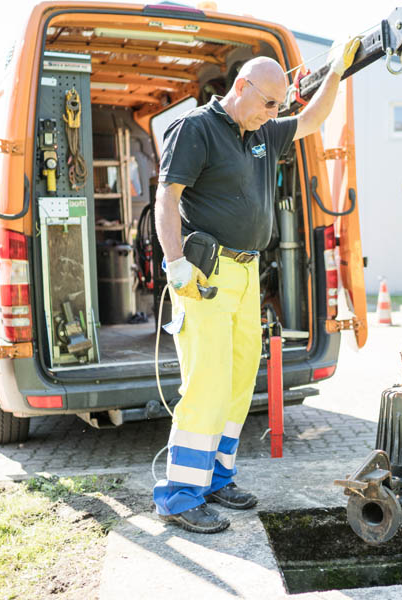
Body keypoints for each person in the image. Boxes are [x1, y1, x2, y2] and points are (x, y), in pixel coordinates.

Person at [153, 38, 361, 533]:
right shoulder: (196, 129)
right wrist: (174, 261)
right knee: (205, 383)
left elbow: (311, 120)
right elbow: (167, 196)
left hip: (246, 273)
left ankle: (217, 477)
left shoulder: (263, 131)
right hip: (205, 274)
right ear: (241, 87)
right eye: (269, 104)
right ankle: (180, 495)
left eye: (279, 107)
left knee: (239, 379)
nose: (274, 114)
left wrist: (336, 71)